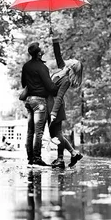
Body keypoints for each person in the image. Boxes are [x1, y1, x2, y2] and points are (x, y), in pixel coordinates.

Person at [47, 38, 84, 169]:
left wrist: (53, 113)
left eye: (72, 60)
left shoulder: (66, 80)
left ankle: (61, 159)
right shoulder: (61, 68)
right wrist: (55, 40)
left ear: (71, 66)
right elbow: (58, 54)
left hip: (55, 107)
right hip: (52, 105)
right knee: (57, 134)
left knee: (55, 135)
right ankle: (72, 153)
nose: (70, 59)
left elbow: (59, 96)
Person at [21, 42, 58, 166]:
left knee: (30, 131)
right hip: (39, 102)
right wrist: (57, 85)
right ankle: (37, 158)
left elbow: (23, 84)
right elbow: (50, 86)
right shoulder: (42, 67)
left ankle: (30, 158)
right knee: (39, 132)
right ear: (39, 53)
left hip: (29, 101)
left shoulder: (26, 66)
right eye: (41, 50)